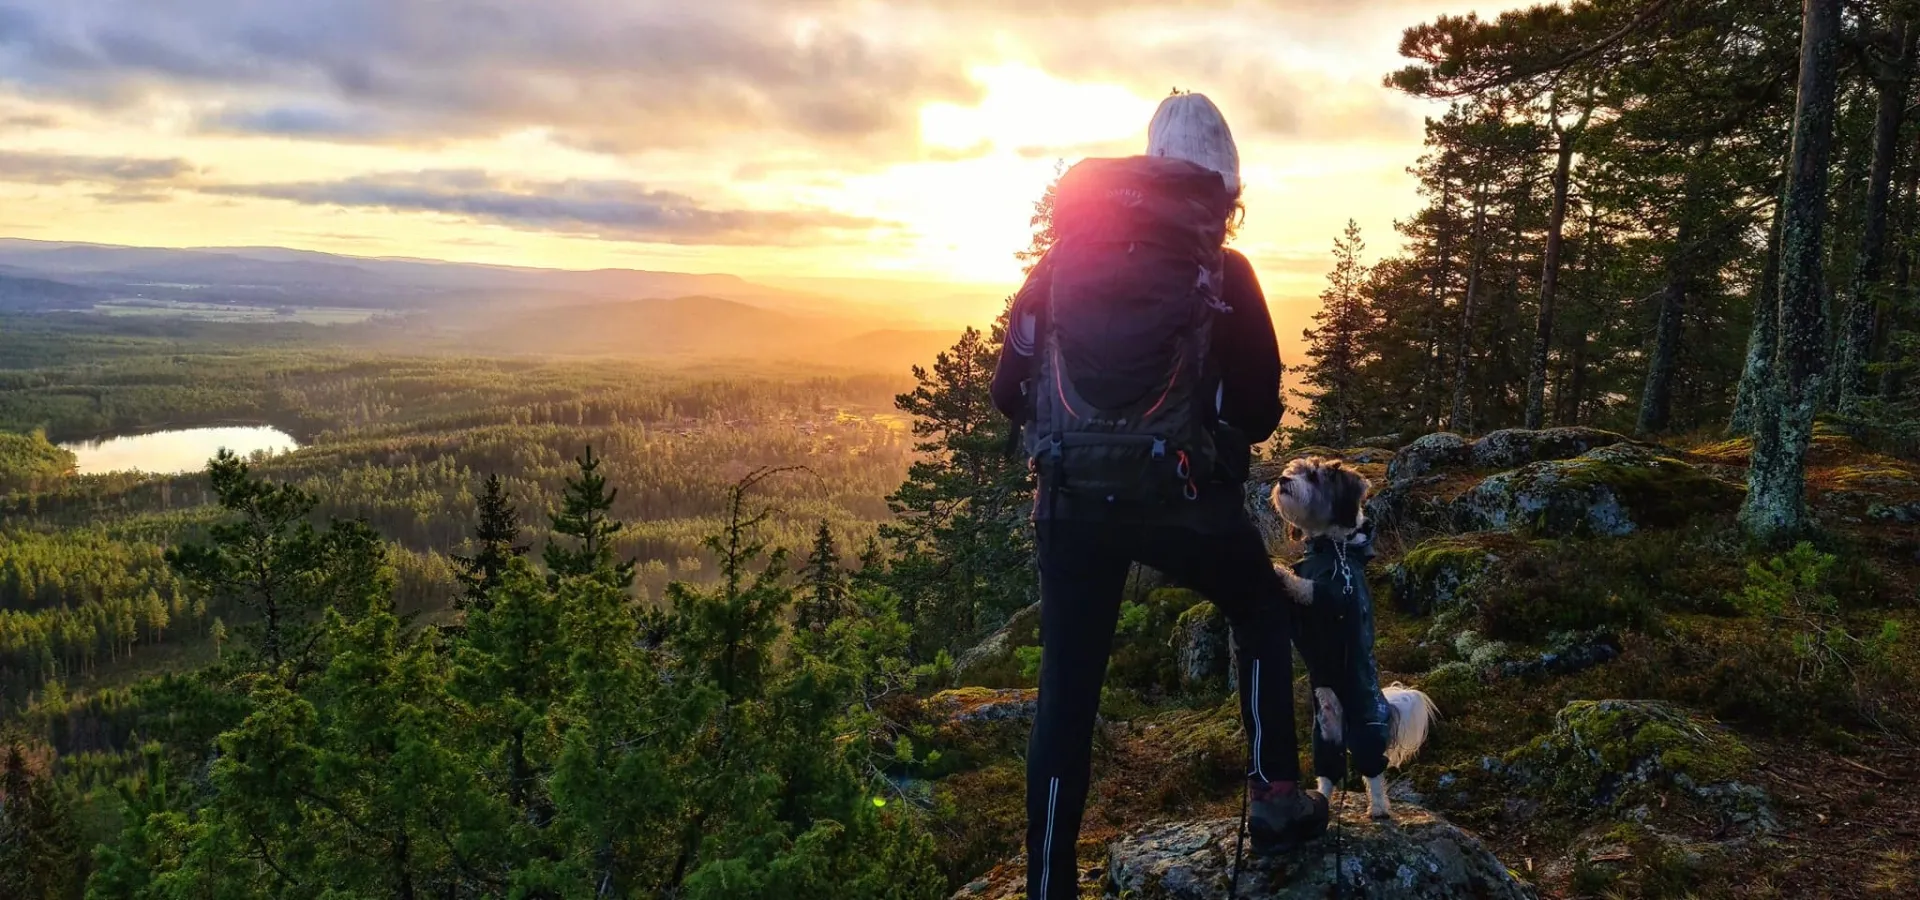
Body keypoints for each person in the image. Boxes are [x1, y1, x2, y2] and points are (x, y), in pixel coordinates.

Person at [990, 91, 1328, 900]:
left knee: (1066, 695)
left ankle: (1048, 885)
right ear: (1224, 187)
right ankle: (1276, 797)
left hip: (1071, 503)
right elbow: (1257, 409)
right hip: (1184, 501)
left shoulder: (1057, 267)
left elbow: (1007, 391)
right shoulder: (1225, 273)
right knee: (1259, 607)